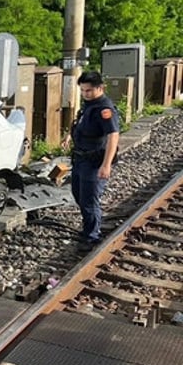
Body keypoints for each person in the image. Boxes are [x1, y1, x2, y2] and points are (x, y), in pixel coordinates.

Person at [61, 71, 120, 252]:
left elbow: (113, 136)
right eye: (83, 90)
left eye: (88, 90)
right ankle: (89, 228)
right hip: (80, 159)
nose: (85, 94)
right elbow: (80, 124)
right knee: (78, 194)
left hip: (94, 162)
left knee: (89, 200)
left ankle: (92, 236)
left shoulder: (105, 109)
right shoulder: (88, 105)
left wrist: (106, 164)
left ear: (100, 88)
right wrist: (69, 137)